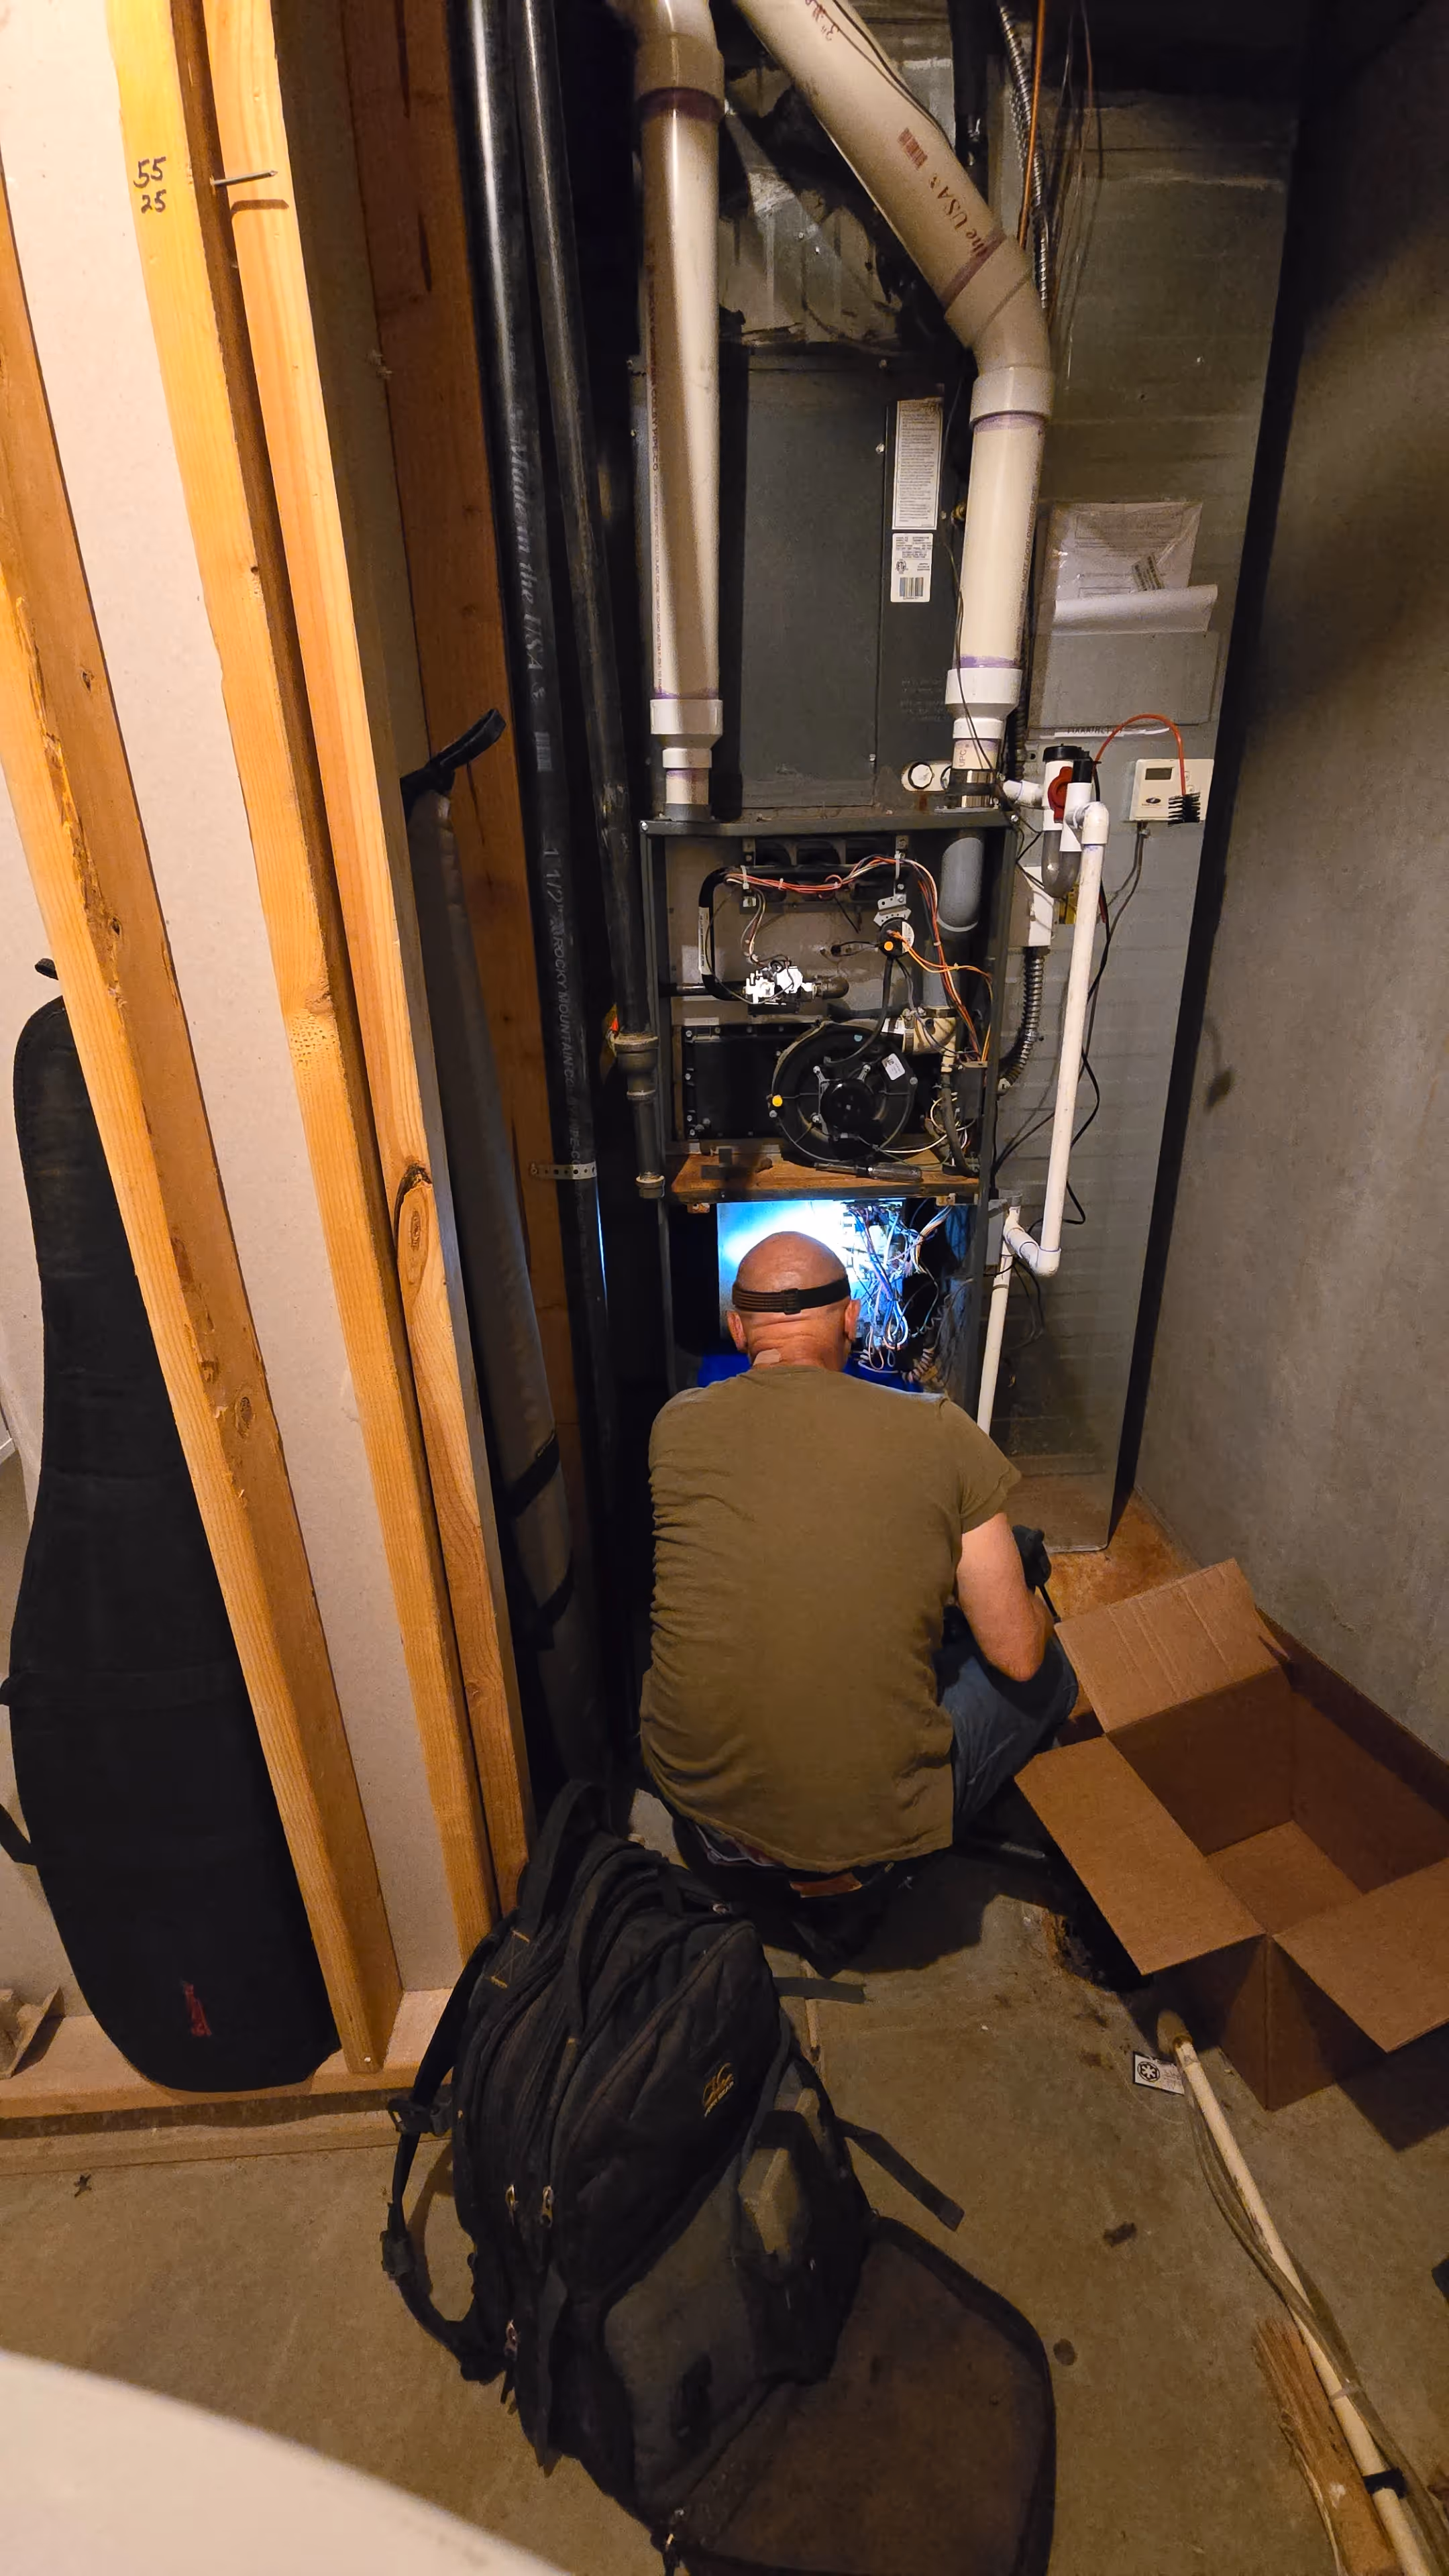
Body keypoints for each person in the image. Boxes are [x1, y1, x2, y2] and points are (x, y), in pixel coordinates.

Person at [640, 1229, 1077, 1885]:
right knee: (1048, 1667)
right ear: (852, 1317)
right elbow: (1018, 1655)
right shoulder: (938, 1431)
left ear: (738, 1330)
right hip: (870, 1838)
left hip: (702, 1816)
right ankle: (876, 1867)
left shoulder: (675, 1425)